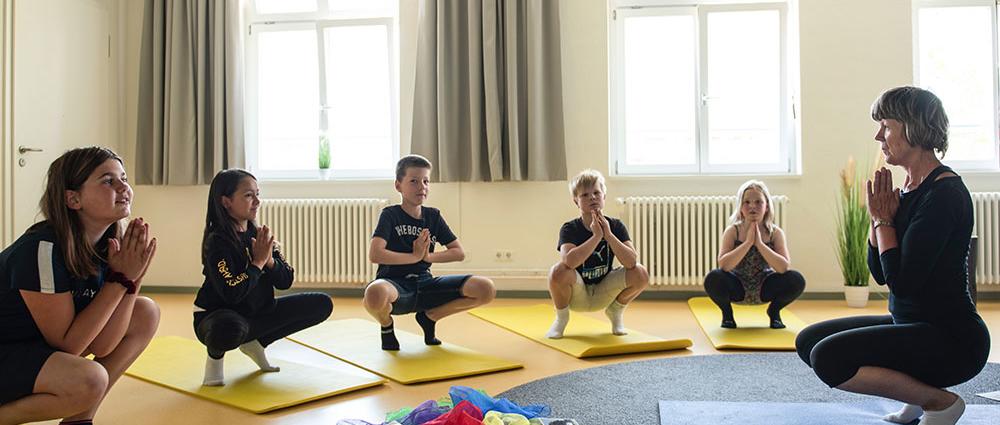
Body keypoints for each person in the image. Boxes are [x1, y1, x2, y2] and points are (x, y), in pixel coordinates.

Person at [795, 86, 990, 425]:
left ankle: (938, 401)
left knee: (828, 358)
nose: (877, 136)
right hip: (912, 327)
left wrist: (885, 219)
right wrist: (878, 219)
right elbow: (881, 273)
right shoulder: (906, 192)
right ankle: (914, 394)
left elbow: (904, 282)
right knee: (809, 340)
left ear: (912, 127)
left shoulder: (944, 194)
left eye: (885, 126)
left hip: (952, 340)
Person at [0, 146, 159, 425]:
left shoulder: (107, 247)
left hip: (27, 348)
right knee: (89, 378)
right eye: (108, 181)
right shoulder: (42, 249)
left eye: (123, 178)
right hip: (7, 349)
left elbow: (103, 345)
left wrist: (131, 280)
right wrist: (119, 279)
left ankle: (78, 420)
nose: (123, 187)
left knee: (145, 312)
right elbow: (70, 346)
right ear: (73, 199)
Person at [194, 169, 333, 386]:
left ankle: (256, 343)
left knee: (322, 303)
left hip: (256, 315)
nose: (257, 201)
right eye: (249, 195)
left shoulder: (259, 236)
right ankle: (215, 359)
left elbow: (285, 281)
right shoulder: (217, 242)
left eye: (258, 193)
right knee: (230, 327)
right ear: (226, 201)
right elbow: (232, 293)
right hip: (216, 318)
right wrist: (257, 263)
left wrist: (269, 261)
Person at [363, 154, 496, 351]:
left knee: (486, 288)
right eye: (414, 181)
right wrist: (413, 257)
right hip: (395, 286)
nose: (421, 186)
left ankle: (429, 317)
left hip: (425, 284)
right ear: (398, 185)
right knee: (374, 292)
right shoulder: (390, 215)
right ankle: (386, 326)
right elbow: (375, 254)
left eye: (426, 181)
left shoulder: (433, 216)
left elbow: (458, 253)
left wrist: (427, 257)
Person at [545, 169, 649, 339]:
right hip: (578, 294)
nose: (592, 197)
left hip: (604, 291)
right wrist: (596, 237)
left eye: (596, 193)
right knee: (557, 271)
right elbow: (569, 262)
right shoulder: (569, 228)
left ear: (604, 197)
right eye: (585, 195)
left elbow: (631, 262)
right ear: (576, 202)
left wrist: (608, 235)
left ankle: (615, 312)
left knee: (640, 272)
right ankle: (561, 320)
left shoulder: (616, 226)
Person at [702, 180, 805, 329]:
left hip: (765, 286)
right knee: (713, 278)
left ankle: (774, 312)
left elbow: (783, 268)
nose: (752, 207)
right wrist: (748, 243)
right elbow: (724, 265)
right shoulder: (733, 231)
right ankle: (727, 315)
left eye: (758, 202)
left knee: (796, 279)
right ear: (740, 207)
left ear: (767, 206)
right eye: (747, 202)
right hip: (737, 286)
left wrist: (760, 245)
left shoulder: (775, 233)